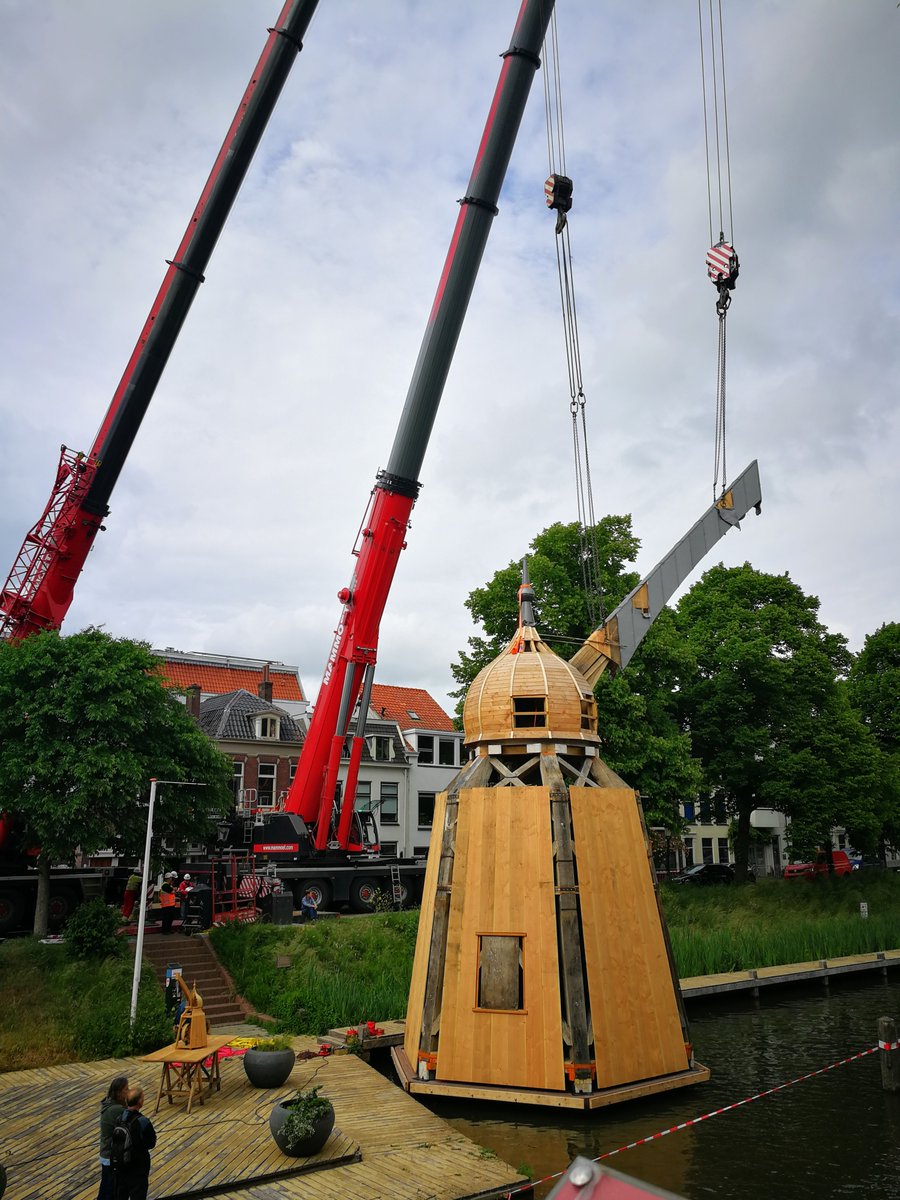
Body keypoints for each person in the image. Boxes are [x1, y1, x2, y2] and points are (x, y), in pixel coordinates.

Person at [114, 1087, 157, 1200]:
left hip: (121, 1163)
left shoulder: (119, 1119)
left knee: (121, 1194)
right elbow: (151, 1143)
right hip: (138, 1166)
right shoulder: (143, 1121)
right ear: (140, 1102)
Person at [96, 1073, 128, 1200]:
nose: (128, 1092)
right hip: (111, 1155)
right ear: (119, 1093)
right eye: (126, 1089)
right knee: (111, 1189)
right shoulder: (116, 1110)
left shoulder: (109, 1105)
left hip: (106, 1153)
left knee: (106, 1186)